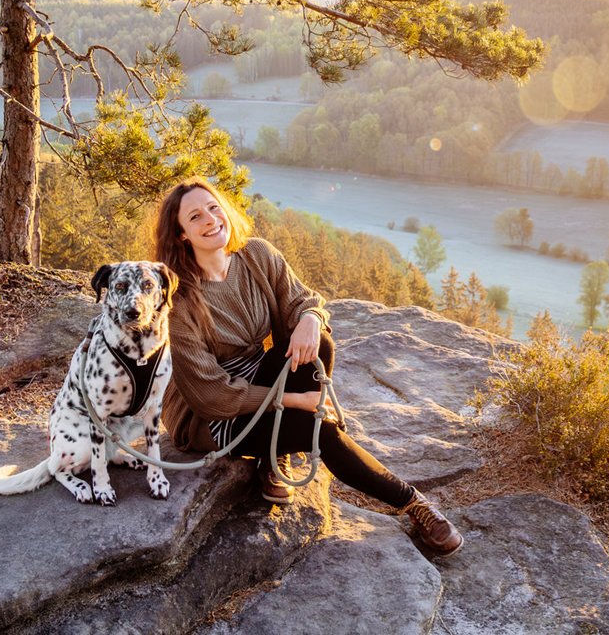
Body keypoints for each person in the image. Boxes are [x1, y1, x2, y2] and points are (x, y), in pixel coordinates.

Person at [154, 177, 463, 556]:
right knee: (319, 429)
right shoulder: (179, 298)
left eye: (214, 207)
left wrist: (310, 321)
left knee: (320, 347)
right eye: (195, 216)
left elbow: (303, 301)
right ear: (182, 234)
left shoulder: (256, 254)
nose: (210, 219)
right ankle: (413, 503)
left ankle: (274, 453)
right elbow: (209, 394)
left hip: (257, 374)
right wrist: (296, 400)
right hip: (213, 416)